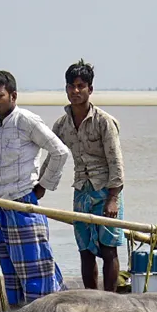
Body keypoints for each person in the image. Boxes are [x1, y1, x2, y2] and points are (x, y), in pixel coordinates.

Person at [0, 70, 71, 306]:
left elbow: (60, 152)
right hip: (0, 210)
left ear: (13, 96)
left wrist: (42, 187)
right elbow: (1, 163)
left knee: (36, 274)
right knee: (11, 276)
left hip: (23, 207)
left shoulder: (26, 120)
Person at [45, 59, 125, 291]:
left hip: (105, 189)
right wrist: (39, 188)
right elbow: (53, 156)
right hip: (81, 190)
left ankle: (109, 298)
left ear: (90, 89)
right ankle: (91, 298)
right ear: (66, 88)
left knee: (108, 249)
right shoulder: (62, 124)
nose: (76, 91)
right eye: (71, 86)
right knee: (85, 250)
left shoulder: (103, 122)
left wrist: (113, 198)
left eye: (81, 86)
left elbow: (116, 161)